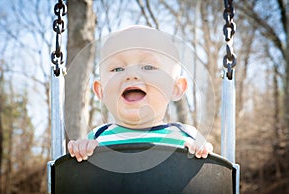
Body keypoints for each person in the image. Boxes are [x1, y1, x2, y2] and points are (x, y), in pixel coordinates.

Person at [68, 25, 213, 162]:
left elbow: (208, 171)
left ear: (176, 88)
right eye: (117, 69)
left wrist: (202, 152)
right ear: (101, 91)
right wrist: (80, 151)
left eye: (148, 67)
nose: (131, 75)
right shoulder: (96, 138)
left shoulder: (185, 135)